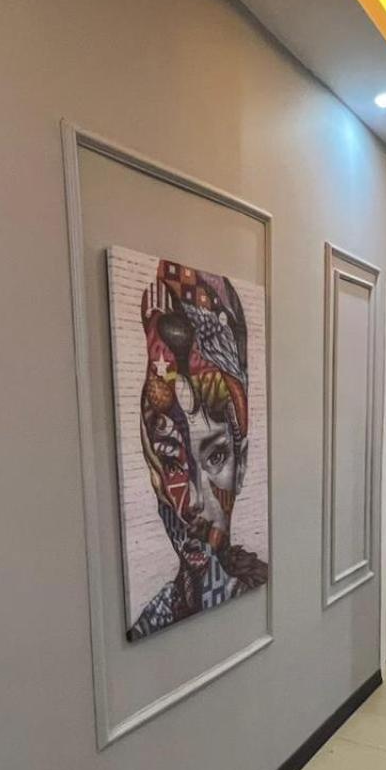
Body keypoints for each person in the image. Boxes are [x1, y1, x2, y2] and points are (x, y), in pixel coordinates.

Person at [127, 259, 267, 641]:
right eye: (173, 461)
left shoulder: (249, 585)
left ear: (241, 466)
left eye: (216, 457)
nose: (192, 501)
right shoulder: (153, 620)